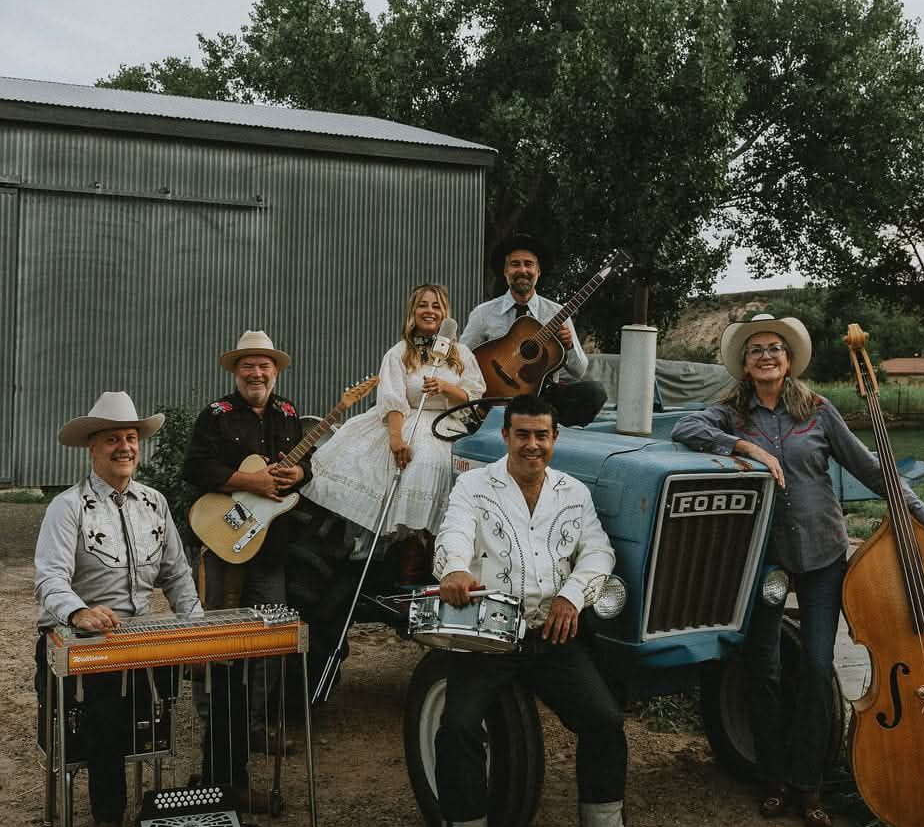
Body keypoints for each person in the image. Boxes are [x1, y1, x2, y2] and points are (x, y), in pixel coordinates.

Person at [671, 313, 924, 827]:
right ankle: (773, 777)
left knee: (816, 665)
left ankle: (809, 784)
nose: (765, 355)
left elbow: (874, 468)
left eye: (774, 348)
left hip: (824, 555)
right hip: (766, 560)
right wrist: (745, 446)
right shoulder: (730, 413)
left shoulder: (818, 412)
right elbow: (683, 427)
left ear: (788, 360)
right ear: (744, 362)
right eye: (755, 349)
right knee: (764, 667)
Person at [431, 393, 639, 827]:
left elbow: (598, 550)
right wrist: (454, 568)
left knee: (604, 719)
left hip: (551, 632)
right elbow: (452, 532)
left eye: (541, 435)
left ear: (554, 438)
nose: (532, 445)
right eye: (522, 434)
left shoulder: (573, 491)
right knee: (457, 727)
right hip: (489, 631)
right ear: (505, 437)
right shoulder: (474, 485)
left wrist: (573, 595)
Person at [34, 391, 202, 827]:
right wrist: (78, 612)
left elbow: (176, 574)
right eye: (113, 439)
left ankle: (199, 798)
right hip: (82, 642)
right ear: (93, 447)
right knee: (107, 707)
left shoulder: (155, 503)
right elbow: (49, 577)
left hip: (139, 640)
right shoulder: (68, 507)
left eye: (131, 437)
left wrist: (197, 628)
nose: (125, 446)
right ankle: (109, 816)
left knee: (196, 684)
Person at [182, 330, 309, 790]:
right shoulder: (215, 415)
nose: (256, 374)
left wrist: (299, 472)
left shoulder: (289, 413)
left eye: (264, 367)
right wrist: (248, 482)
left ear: (275, 372)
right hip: (222, 540)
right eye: (248, 367)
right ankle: (214, 733)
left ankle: (253, 727)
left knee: (270, 639)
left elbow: (297, 473)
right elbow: (195, 469)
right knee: (215, 638)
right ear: (236, 372)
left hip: (270, 548)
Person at [302, 284, 485, 582]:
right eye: (422, 305)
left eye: (436, 306)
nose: (429, 311)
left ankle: (445, 556)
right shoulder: (400, 352)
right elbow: (393, 399)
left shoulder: (460, 353)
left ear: (445, 312)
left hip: (449, 423)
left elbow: (475, 394)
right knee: (422, 462)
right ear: (413, 312)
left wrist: (447, 388)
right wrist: (397, 439)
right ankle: (410, 559)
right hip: (409, 419)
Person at [460, 232, 607, 427]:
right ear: (505, 271)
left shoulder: (558, 313)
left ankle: (549, 435)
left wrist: (569, 346)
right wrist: (472, 399)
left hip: (541, 398)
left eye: (529, 264)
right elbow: (459, 360)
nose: (522, 270)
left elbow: (579, 371)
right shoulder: (483, 313)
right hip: (491, 402)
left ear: (538, 272)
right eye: (515, 264)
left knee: (594, 392)